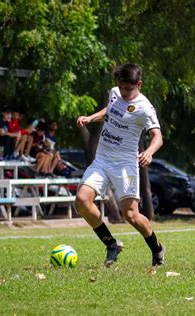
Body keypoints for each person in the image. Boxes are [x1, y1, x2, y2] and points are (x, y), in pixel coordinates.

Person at [75, 63, 165, 267]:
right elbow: (111, 110)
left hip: (126, 164)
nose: (123, 92)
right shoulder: (115, 93)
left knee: (131, 215)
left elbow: (157, 137)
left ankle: (157, 248)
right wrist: (91, 118)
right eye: (121, 87)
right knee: (82, 200)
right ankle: (111, 244)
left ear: (139, 84)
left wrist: (149, 152)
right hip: (102, 159)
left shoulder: (145, 108)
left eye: (128, 89)